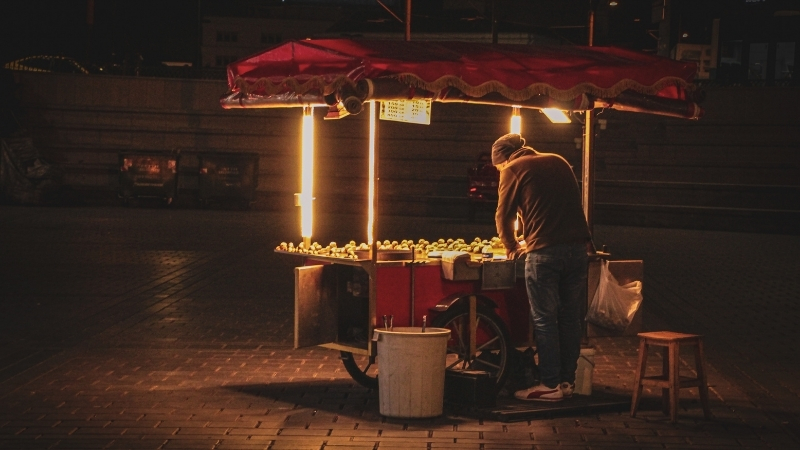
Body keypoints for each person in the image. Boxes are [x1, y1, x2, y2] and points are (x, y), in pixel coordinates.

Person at [492, 133, 594, 402]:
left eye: (498, 166)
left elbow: (503, 216)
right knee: (571, 319)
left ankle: (549, 384)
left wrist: (512, 247)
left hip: (545, 252)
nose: (500, 170)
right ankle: (566, 381)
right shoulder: (558, 160)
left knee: (544, 319)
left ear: (505, 159)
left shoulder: (513, 169)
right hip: (578, 249)